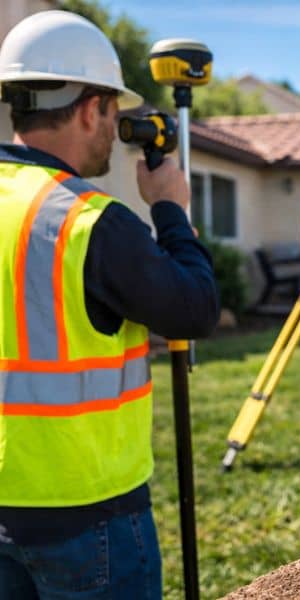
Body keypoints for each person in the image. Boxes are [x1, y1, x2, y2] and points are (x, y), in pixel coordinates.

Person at [0, 10, 219, 598]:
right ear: (92, 106)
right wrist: (170, 207)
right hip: (88, 512)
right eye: (114, 113)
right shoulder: (86, 219)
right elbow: (194, 308)